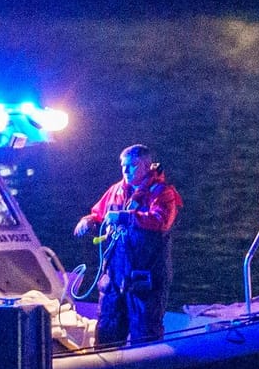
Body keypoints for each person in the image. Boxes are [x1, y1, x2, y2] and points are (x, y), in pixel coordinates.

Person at [74, 143, 182, 348]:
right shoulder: (116, 191)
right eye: (123, 165)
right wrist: (88, 221)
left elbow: (161, 221)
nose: (126, 170)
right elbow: (99, 214)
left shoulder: (163, 193)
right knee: (107, 329)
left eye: (132, 165)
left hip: (144, 277)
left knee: (145, 332)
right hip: (114, 276)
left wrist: (125, 217)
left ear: (146, 166)